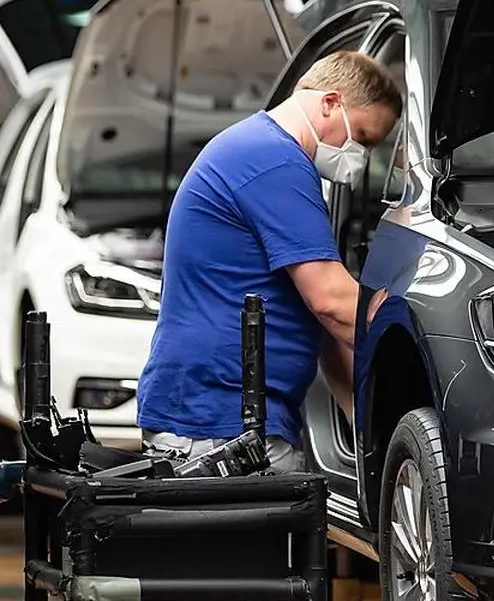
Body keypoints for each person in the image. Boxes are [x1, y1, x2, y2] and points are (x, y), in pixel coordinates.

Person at [136, 50, 402, 473]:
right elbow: (331, 300)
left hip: (226, 415)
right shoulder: (273, 161)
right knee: (259, 540)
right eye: (364, 139)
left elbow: (323, 322)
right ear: (330, 103)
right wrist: (418, 340)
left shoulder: (259, 151)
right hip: (220, 424)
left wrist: (370, 420)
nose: (361, 156)